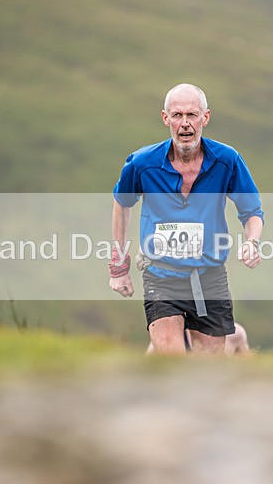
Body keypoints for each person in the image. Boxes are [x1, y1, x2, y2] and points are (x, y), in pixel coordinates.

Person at [109, 83, 264, 355]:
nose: (184, 124)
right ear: (165, 118)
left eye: (191, 115)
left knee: (207, 370)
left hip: (210, 277)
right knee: (174, 364)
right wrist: (119, 266)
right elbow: (122, 204)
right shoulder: (142, 163)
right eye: (177, 115)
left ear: (205, 118)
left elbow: (251, 211)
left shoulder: (227, 160)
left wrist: (252, 241)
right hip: (161, 277)